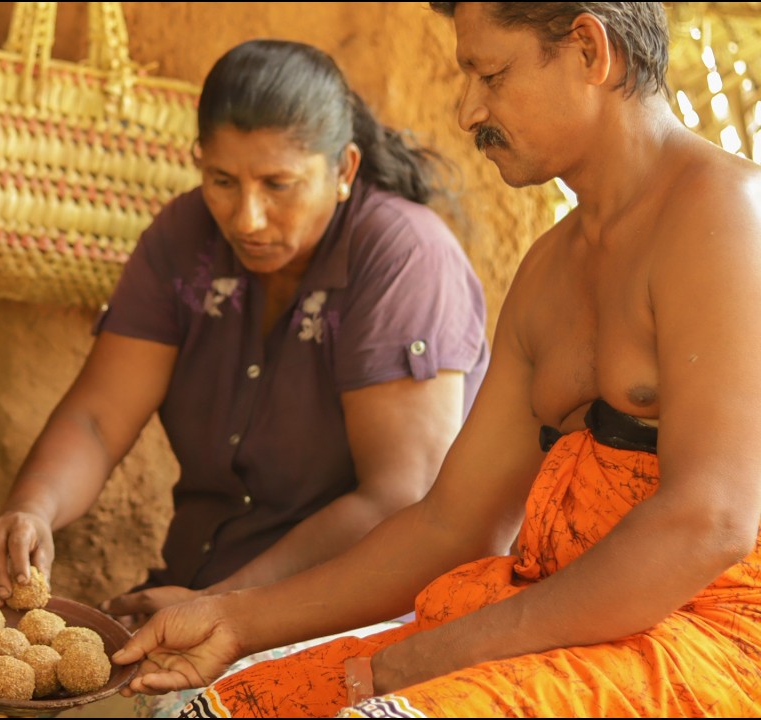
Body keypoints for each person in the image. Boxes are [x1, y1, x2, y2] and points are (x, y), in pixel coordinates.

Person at [112, 2, 761, 717]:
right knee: (207, 712)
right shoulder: (548, 267)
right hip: (555, 625)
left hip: (705, 637)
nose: (466, 110)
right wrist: (235, 620)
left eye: (490, 73)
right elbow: (452, 525)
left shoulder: (727, 214)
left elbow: (711, 521)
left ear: (588, 51)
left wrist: (447, 650)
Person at [0, 38, 489, 631]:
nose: (246, 218)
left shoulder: (403, 256)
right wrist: (32, 509)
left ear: (343, 170)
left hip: (354, 615)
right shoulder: (183, 238)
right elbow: (96, 420)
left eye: (278, 184)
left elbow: (401, 497)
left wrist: (226, 607)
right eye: (221, 179)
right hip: (199, 597)